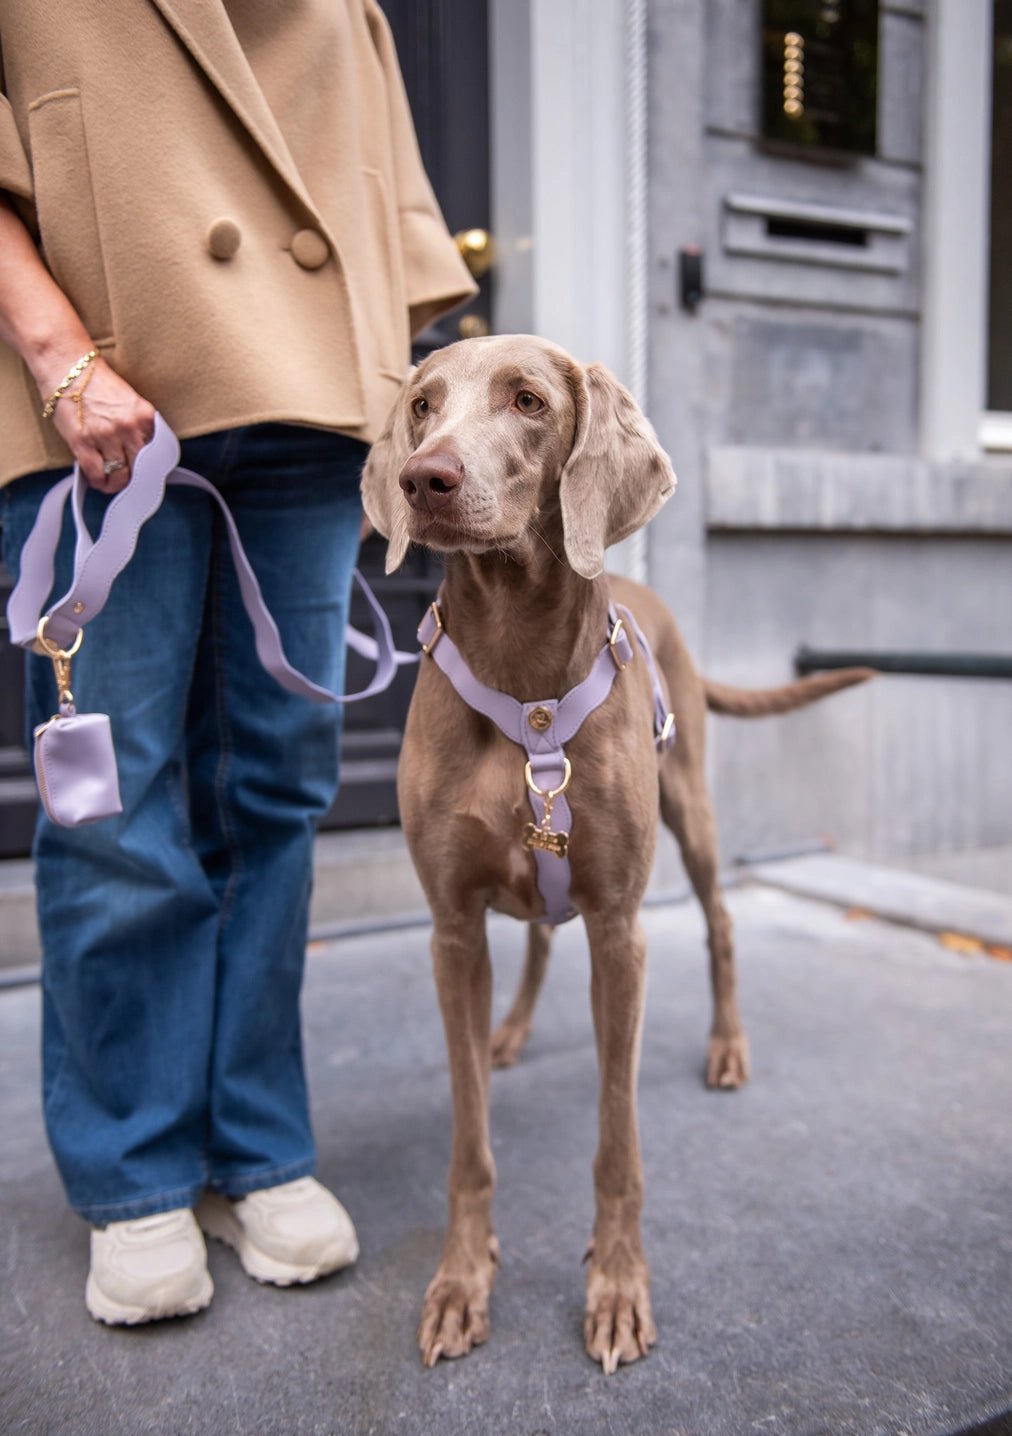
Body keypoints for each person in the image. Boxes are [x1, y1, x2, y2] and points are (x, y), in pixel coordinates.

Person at [0, 1, 474, 1325]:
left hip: (313, 401)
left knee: (275, 788)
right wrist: (59, 356)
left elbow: (386, 201)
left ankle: (253, 1144)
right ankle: (138, 1171)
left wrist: (393, 400)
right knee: (115, 802)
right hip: (99, 385)